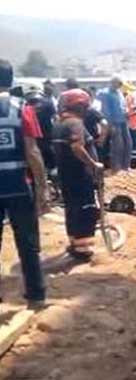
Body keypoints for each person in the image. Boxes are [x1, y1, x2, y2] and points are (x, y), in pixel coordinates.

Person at [0, 59, 47, 308]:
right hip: (19, 185)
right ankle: (36, 296)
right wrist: (42, 187)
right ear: (11, 79)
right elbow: (33, 152)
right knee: (28, 243)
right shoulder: (22, 108)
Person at [53, 89, 103, 262]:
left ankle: (75, 243)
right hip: (79, 175)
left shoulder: (59, 123)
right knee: (85, 208)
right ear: (80, 106)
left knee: (72, 208)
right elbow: (76, 147)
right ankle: (82, 249)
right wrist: (93, 164)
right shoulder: (75, 124)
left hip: (66, 175)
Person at [98, 77, 131, 173]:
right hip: (114, 122)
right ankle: (117, 167)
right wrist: (110, 124)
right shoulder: (105, 94)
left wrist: (127, 112)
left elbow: (122, 105)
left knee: (128, 143)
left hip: (123, 121)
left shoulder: (119, 92)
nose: (119, 86)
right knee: (117, 145)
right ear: (113, 83)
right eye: (118, 84)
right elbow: (105, 110)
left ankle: (126, 166)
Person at [122, 82, 136, 169]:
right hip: (133, 124)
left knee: (130, 144)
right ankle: (132, 164)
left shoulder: (127, 98)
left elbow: (128, 112)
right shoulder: (130, 97)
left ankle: (131, 164)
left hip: (131, 124)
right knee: (132, 144)